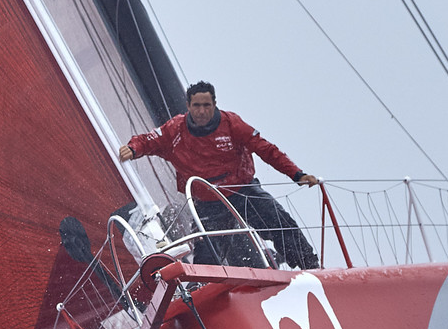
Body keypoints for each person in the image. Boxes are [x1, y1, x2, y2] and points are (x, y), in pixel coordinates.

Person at [119, 82, 322, 269]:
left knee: (279, 221)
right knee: (207, 254)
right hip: (209, 203)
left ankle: (311, 266)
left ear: (215, 104)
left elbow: (266, 149)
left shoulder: (232, 123)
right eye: (196, 106)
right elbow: (147, 140)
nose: (202, 111)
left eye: (207, 105)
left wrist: (296, 174)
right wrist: (132, 148)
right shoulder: (175, 129)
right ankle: (204, 288)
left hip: (243, 190)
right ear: (188, 106)